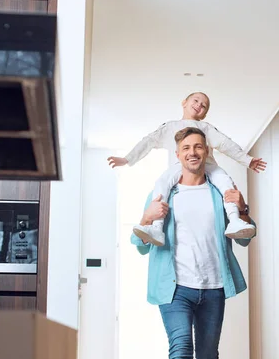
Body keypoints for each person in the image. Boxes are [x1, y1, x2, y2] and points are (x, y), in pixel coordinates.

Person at [131, 126, 256, 359]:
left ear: (206, 152)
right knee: (180, 350)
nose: (193, 152)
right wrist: (146, 216)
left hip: (214, 285)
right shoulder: (164, 193)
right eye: (187, 147)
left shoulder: (220, 191)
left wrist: (242, 208)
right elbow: (139, 243)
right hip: (174, 288)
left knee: (208, 358)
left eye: (199, 146)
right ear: (178, 154)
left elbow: (244, 236)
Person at [108, 92, 266, 246]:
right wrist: (127, 159)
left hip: (209, 166)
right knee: (161, 184)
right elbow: (148, 142)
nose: (199, 105)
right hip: (177, 168)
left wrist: (247, 160)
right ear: (184, 102)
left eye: (204, 106)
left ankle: (235, 221)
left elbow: (226, 144)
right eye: (196, 100)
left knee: (226, 182)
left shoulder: (206, 128)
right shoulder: (170, 128)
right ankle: (156, 228)